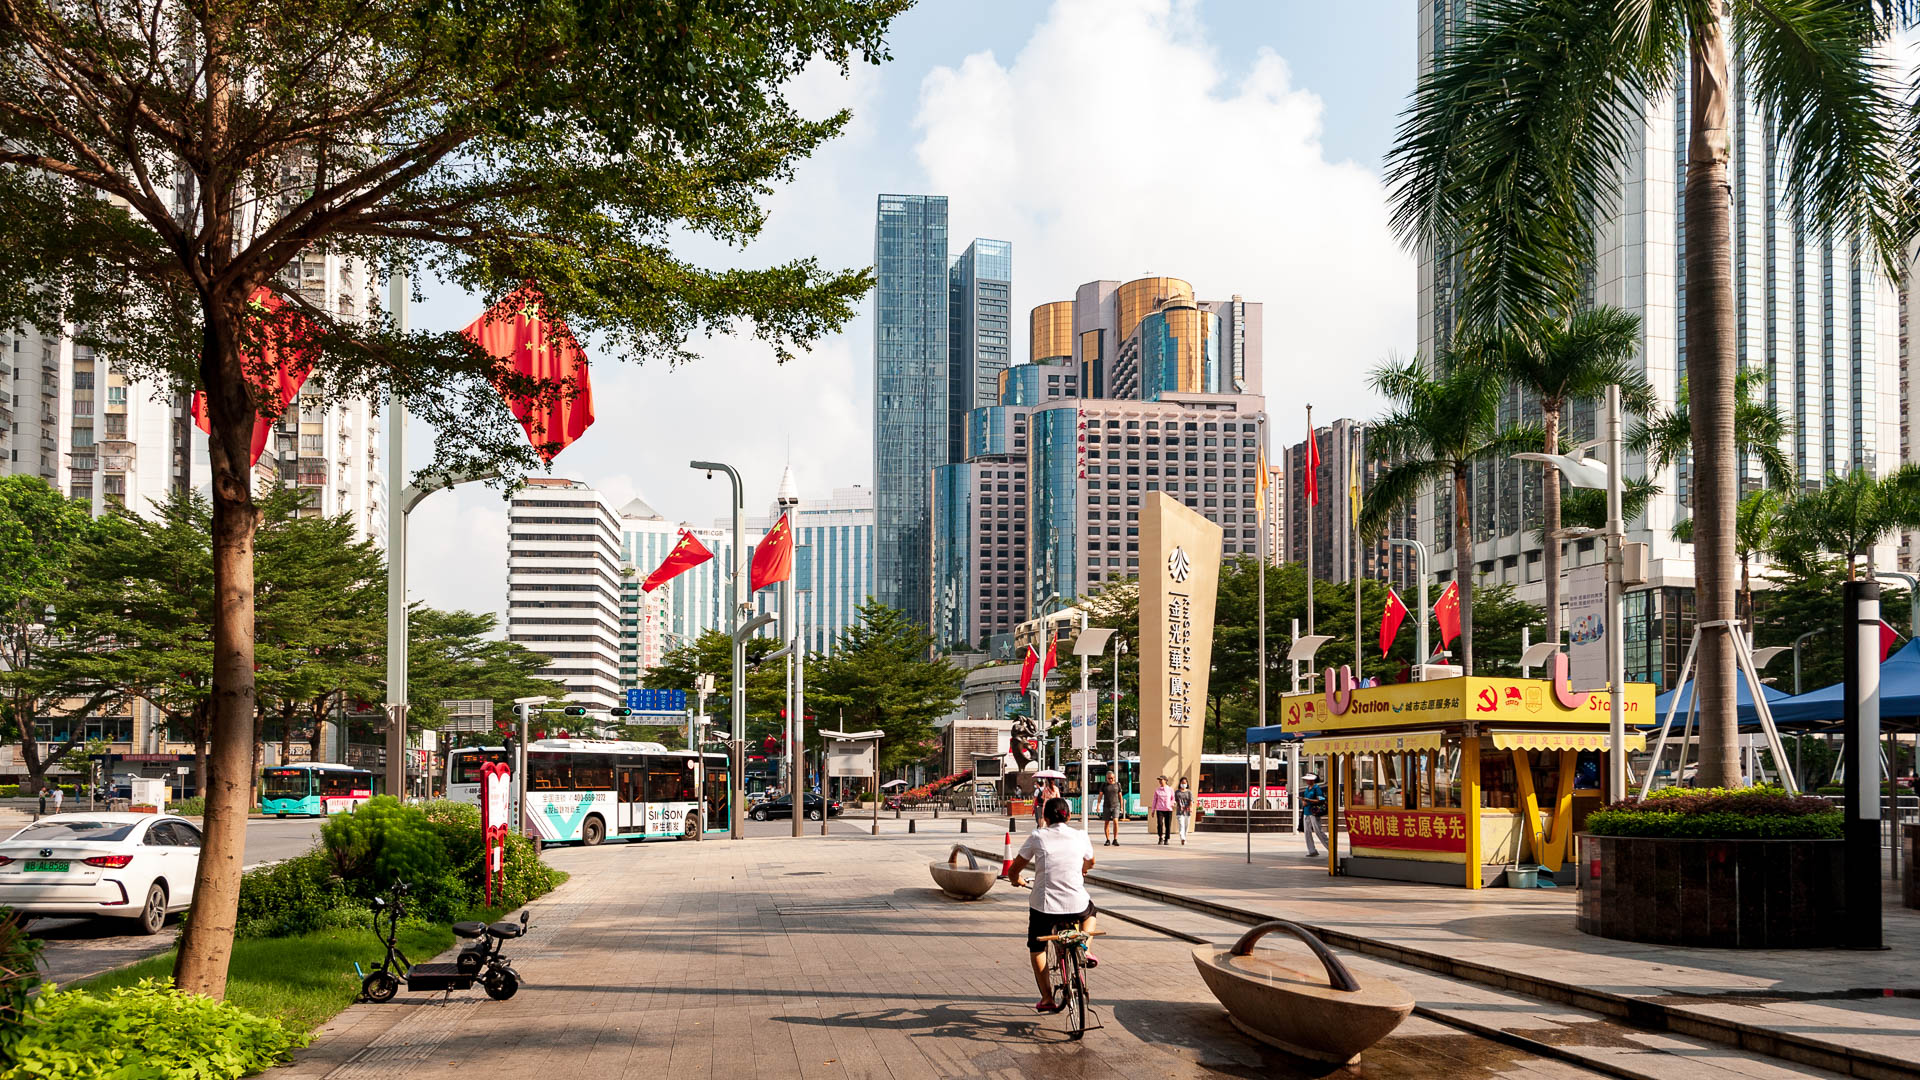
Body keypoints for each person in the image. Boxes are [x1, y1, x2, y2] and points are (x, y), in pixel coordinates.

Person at [1006, 797, 1098, 1012]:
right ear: (1069, 816)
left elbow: (1014, 869)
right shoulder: (1081, 835)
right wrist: (1083, 869)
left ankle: (1047, 997)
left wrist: (1015, 880)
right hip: (1077, 904)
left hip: (1044, 907)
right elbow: (1091, 862)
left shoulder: (1038, 836)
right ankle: (1086, 948)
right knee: (1091, 911)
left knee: (1037, 947)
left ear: (1045, 818)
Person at [1301, 773, 1329, 858]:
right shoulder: (1307, 788)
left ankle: (1330, 847)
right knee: (1307, 832)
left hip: (1314, 812)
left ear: (1312, 780)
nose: (1306, 781)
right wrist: (1304, 801)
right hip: (1306, 812)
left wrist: (1308, 800)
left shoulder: (1316, 788)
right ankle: (1311, 850)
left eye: (1308, 779)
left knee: (1318, 831)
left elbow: (1321, 799)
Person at [1150, 775, 1175, 844]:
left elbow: (1173, 798)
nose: (1160, 781)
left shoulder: (1170, 789)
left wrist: (1171, 804)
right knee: (1160, 824)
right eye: (1159, 780)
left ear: (1165, 780)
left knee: (1168, 825)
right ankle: (1160, 837)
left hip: (1168, 809)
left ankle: (1166, 839)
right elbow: (1154, 800)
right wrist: (1153, 810)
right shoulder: (1157, 790)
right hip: (1159, 809)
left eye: (1161, 780)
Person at [1099, 775, 1122, 846]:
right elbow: (1100, 795)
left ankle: (1115, 839)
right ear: (1106, 778)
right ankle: (1107, 839)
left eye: (1112, 778)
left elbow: (1120, 796)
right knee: (1107, 823)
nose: (1110, 780)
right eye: (1109, 778)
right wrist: (1098, 805)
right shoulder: (1104, 785)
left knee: (1115, 821)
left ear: (1114, 778)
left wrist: (1121, 806)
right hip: (1106, 806)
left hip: (1116, 806)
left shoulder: (1118, 785)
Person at [1174, 776, 1193, 845]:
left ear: (1187, 783)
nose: (1183, 784)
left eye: (1185, 783)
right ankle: (1182, 838)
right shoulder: (1177, 792)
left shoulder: (1189, 792)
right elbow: (1175, 800)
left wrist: (1191, 808)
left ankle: (1185, 837)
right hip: (1180, 811)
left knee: (1186, 826)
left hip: (1187, 811)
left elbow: (1191, 801)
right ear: (1180, 783)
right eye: (1182, 783)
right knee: (1181, 824)